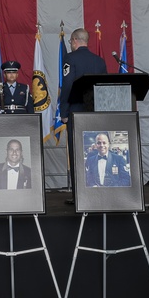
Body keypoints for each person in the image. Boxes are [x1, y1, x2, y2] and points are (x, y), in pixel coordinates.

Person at [59, 29, 108, 200]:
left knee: (77, 151)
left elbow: (66, 86)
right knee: (93, 151)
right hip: (96, 112)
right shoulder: (100, 61)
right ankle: (97, 193)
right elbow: (105, 89)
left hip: (76, 110)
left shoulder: (70, 59)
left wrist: (63, 111)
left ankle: (79, 195)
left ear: (73, 41)